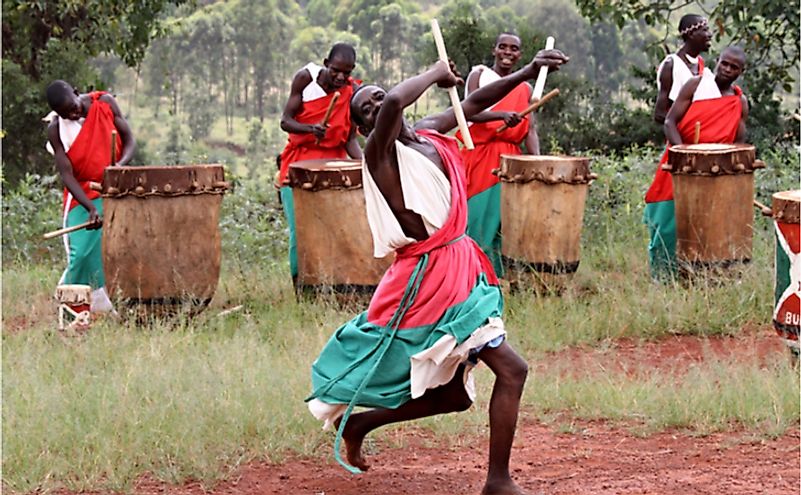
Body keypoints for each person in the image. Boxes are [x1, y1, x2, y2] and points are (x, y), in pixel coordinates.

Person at [306, 49, 569, 495]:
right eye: (365, 108)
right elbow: (393, 105)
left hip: (460, 267)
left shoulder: (426, 135)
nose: (376, 104)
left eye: (376, 97)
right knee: (512, 370)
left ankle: (359, 425)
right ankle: (498, 482)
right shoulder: (379, 154)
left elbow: (472, 104)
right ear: (366, 128)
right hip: (430, 277)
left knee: (452, 396)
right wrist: (436, 73)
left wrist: (529, 70)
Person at [45, 80, 136, 316]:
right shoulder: (56, 128)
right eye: (66, 113)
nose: (73, 115)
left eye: (74, 107)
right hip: (81, 196)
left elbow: (129, 141)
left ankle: (102, 306)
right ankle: (69, 307)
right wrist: (90, 208)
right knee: (81, 253)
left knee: (112, 250)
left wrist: (118, 167)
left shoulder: (104, 103)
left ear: (77, 93)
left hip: (114, 189)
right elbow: (67, 175)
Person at [277, 43, 363, 285]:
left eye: (346, 72)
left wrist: (366, 166)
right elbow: (285, 121)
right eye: (336, 70)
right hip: (299, 165)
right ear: (326, 63)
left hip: (336, 168)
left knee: (336, 231)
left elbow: (350, 140)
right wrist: (309, 129)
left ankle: (333, 286)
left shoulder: (352, 91)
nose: (340, 77)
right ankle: (302, 286)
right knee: (301, 233)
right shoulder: (306, 79)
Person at [457, 32, 540, 275]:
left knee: (505, 221)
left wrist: (536, 163)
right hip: (481, 155)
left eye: (513, 49)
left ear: (520, 55)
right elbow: (467, 111)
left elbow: (531, 129)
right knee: (478, 218)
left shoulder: (525, 87)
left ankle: (498, 276)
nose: (507, 52)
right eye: (502, 47)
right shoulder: (480, 74)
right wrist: (500, 116)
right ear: (494, 50)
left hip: (511, 160)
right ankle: (472, 273)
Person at [645, 14, 713, 280]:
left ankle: (692, 271)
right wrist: (683, 139)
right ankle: (663, 273)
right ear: (688, 33)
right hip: (678, 147)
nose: (709, 34)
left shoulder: (703, 67)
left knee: (697, 212)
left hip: (703, 149)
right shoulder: (672, 65)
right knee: (668, 211)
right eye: (704, 29)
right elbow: (661, 114)